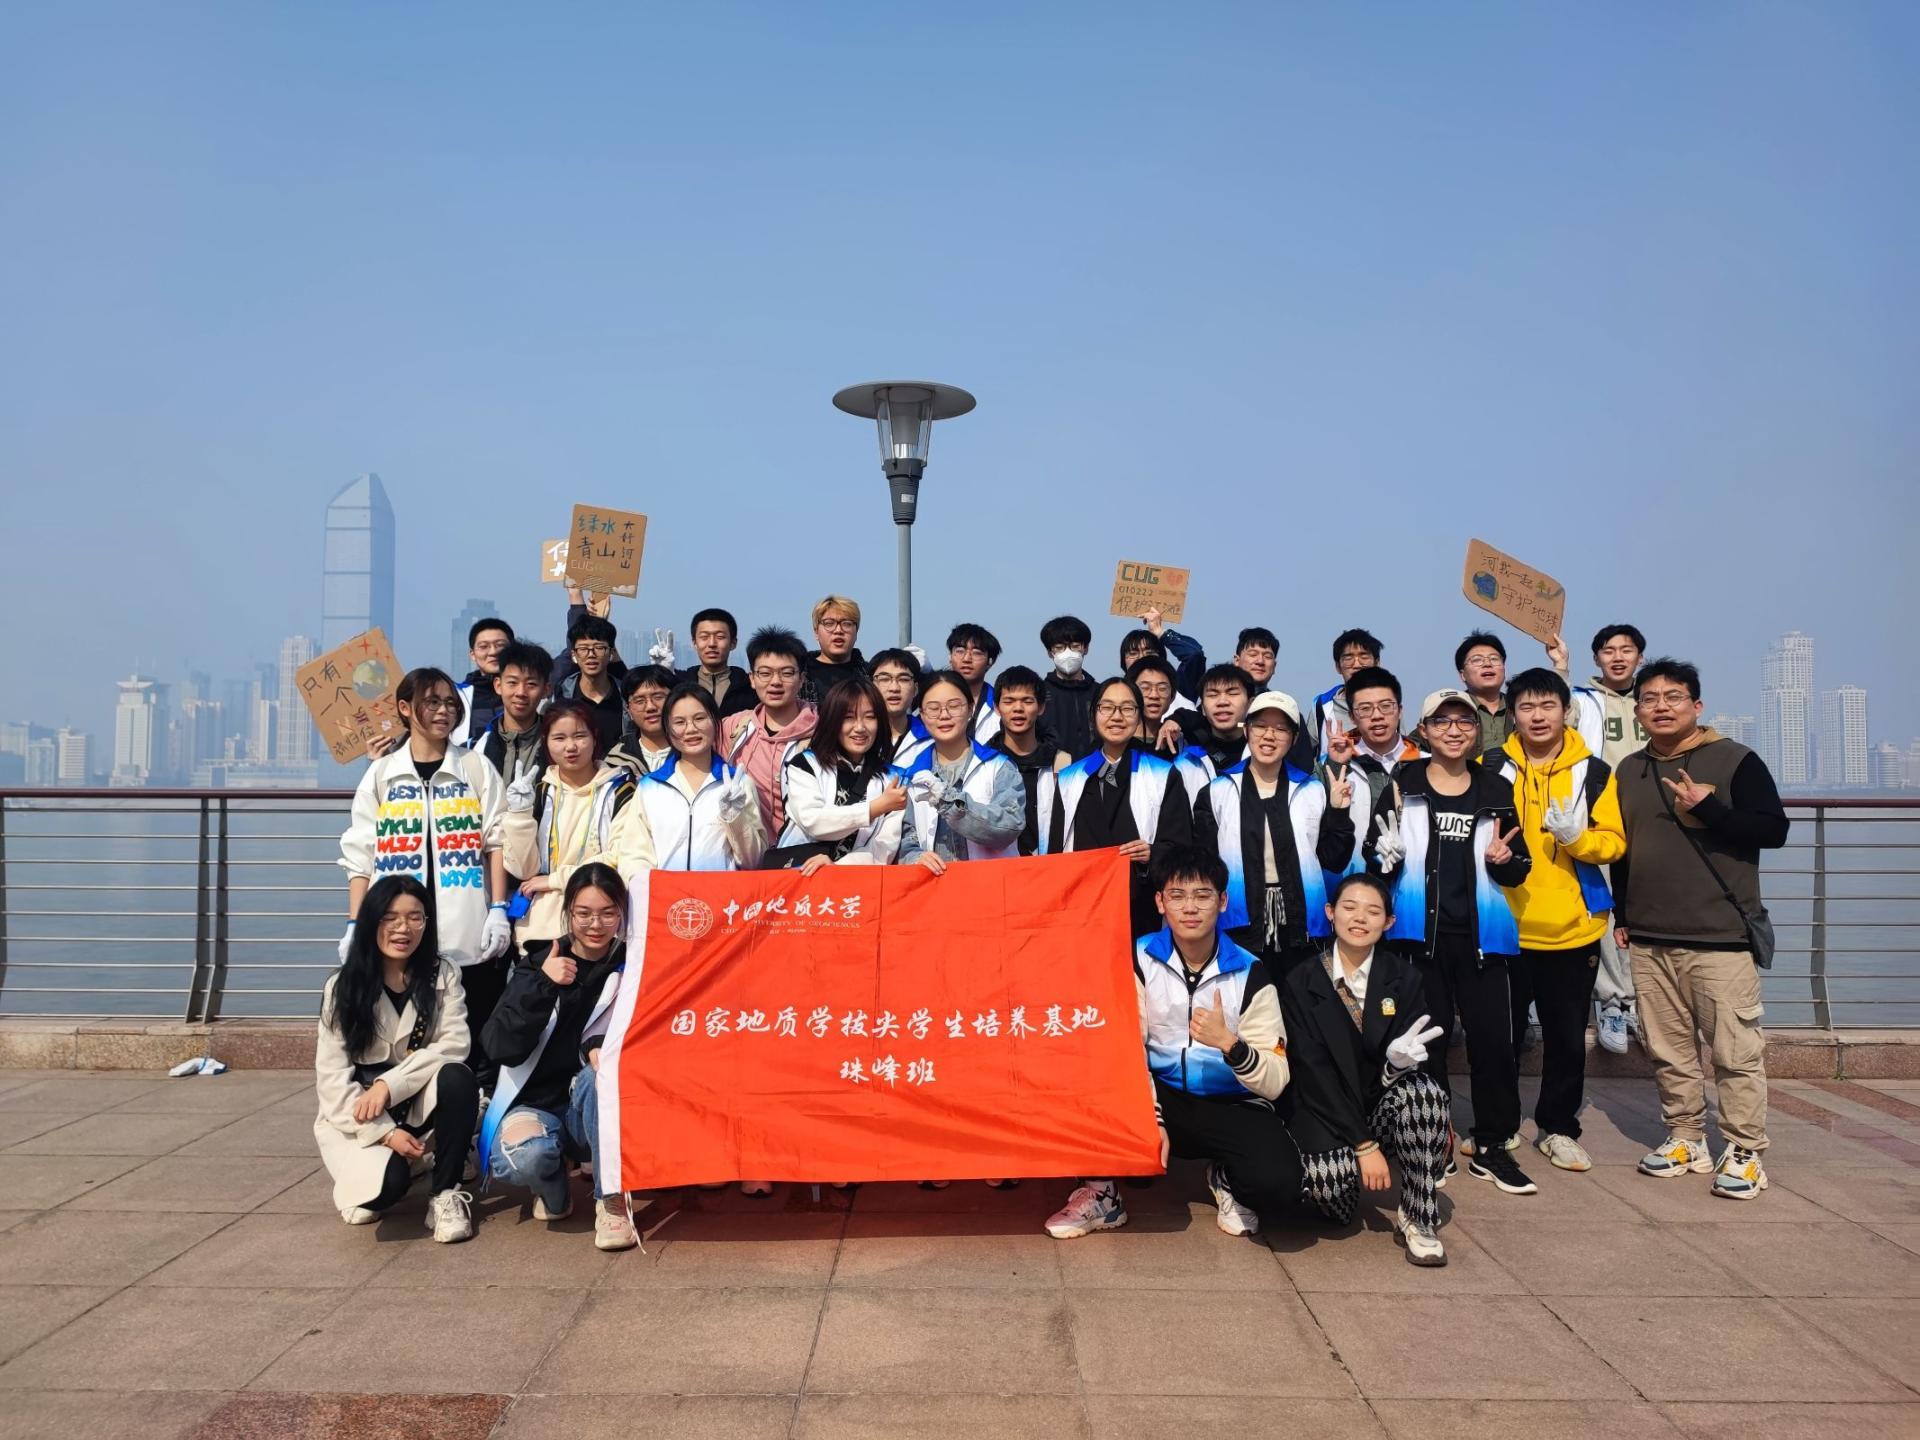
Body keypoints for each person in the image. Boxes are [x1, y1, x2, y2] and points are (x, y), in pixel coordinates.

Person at [1045, 848, 1300, 1241]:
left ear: (1223, 901)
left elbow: (1276, 1078)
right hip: (1158, 1095)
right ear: (1160, 903)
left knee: (1278, 1187)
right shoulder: (1137, 957)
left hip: (1231, 1102)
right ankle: (1102, 1193)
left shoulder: (1251, 971)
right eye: (1177, 896)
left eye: (1202, 895)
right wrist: (1152, 1117)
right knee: (1083, 1076)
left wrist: (1231, 1046)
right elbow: (1124, 1048)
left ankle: (1227, 1177)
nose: (1190, 907)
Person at [1613, 659, 1789, 1200]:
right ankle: (1686, 1136)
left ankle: (1745, 1149)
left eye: (1673, 696)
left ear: (1697, 706)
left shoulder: (1736, 760)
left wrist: (1709, 807)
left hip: (1720, 936)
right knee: (1667, 1049)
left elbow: (1773, 830)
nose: (1661, 706)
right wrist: (1623, 914)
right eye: (1650, 699)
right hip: (1649, 934)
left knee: (1734, 1052)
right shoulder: (1629, 770)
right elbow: (1623, 849)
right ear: (1637, 710)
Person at [1376, 689, 1537, 1195]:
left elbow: (1520, 864)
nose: (1453, 730)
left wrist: (1504, 861)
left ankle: (1493, 1145)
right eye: (1441, 721)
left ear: (1475, 731)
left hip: (1484, 936)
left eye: (1464, 721)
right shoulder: (1404, 782)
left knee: (1494, 1044)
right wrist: (1384, 854)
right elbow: (1377, 853)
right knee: (1428, 1044)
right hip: (1417, 937)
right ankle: (1436, 1140)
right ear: (1423, 730)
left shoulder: (1495, 787)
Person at [1483, 667, 1627, 1173]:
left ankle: (1559, 1127)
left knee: (1566, 1038)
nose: (1538, 716)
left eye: (1548, 706)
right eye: (1526, 707)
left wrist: (1577, 839)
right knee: (1499, 1036)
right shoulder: (1490, 767)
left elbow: (1614, 842)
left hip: (1572, 928)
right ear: (1512, 715)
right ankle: (1499, 1125)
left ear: (1566, 711)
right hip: (1503, 924)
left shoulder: (1594, 772)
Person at [338, 668, 511, 1070]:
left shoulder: (475, 768)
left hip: (465, 922)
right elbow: (361, 851)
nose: (443, 711)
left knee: (470, 1024)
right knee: (400, 1028)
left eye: (450, 703)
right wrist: (354, 923)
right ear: (404, 708)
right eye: (431, 702)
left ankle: (470, 1098)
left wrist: (498, 909)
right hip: (398, 926)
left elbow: (496, 841)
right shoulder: (382, 774)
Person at [1281, 873, 1452, 1266]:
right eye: (1349, 907)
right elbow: (1311, 1072)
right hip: (1324, 1108)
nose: (1360, 918)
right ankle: (1347, 1176)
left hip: (1378, 1104)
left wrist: (1395, 1067)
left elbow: (1417, 1051)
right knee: (1330, 1192)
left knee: (1426, 1095)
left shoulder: (1405, 978)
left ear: (1388, 922)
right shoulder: (1301, 980)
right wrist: (1363, 1144)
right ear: (1330, 913)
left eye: (1373, 911)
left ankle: (1419, 1215)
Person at [479, 864, 641, 1250]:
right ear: (568, 911)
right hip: (536, 1104)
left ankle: (611, 1201)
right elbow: (499, 1046)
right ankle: (554, 1190)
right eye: (584, 913)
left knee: (600, 1076)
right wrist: (542, 984)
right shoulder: (540, 961)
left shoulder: (633, 966)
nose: (596, 924)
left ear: (622, 914)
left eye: (608, 913)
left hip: (592, 1105)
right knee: (527, 1159)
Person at [314, 874, 477, 1242]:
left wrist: (389, 1085)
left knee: (458, 1076)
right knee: (385, 1191)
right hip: (359, 1117)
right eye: (390, 917)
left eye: (415, 917)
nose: (403, 928)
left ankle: (445, 1194)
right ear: (371, 921)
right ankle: (404, 1165)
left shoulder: (443, 973)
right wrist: (385, 1133)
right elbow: (332, 1080)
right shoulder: (343, 987)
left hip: (416, 1102)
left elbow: (454, 1044)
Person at [1191, 692, 1362, 978]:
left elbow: (1334, 860)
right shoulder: (1218, 791)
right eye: (1260, 726)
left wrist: (1339, 814)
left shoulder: (1312, 790)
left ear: (1294, 739)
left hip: (1301, 922)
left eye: (1281, 729)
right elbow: (1205, 864)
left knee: (1300, 999)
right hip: (1238, 922)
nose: (1269, 736)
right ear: (1246, 731)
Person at [1551, 623, 1651, 1055]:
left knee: (1646, 910)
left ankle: (1646, 1004)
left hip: (1650, 819)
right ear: (1596, 659)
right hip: (1601, 817)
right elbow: (1560, 715)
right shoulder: (1586, 700)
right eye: (1608, 651)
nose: (1618, 657)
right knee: (1606, 912)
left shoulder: (1653, 700)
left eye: (1626, 650)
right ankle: (1613, 1002)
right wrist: (1561, 667)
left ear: (1640, 657)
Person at [1037, 676, 1194, 935]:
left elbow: (1182, 846)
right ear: (1094, 714)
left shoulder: (1162, 774)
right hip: (1083, 909)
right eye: (1107, 707)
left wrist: (1152, 853)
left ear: (1139, 716)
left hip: (1141, 909)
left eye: (1127, 708)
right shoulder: (1069, 779)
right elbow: (1054, 852)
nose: (1117, 717)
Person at [500, 701, 641, 945]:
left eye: (579, 736)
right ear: (546, 742)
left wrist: (554, 880)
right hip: (541, 930)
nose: (570, 747)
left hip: (600, 928)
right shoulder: (540, 793)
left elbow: (620, 857)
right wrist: (519, 814)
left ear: (594, 738)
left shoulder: (621, 790)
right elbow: (524, 871)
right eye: (559, 738)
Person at [895, 669, 1026, 869]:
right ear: (922, 714)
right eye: (933, 708)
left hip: (988, 883)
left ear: (971, 709)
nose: (944, 715)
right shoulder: (911, 777)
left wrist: (949, 802)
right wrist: (914, 857)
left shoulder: (999, 767)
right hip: (933, 885)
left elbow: (1010, 826)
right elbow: (904, 841)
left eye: (954, 706)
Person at [775, 675, 908, 867]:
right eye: (848, 717)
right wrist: (875, 808)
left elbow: (883, 847)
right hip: (799, 877)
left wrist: (837, 868)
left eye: (870, 717)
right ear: (832, 720)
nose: (860, 727)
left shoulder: (894, 779)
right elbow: (813, 821)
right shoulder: (805, 764)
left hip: (853, 881)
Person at [633, 685, 768, 873]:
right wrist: (648, 885)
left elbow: (753, 861)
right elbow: (634, 856)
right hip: (666, 891)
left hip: (720, 890)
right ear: (667, 729)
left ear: (715, 721)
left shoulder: (738, 784)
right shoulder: (649, 787)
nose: (691, 729)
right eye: (679, 722)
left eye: (699, 718)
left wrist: (735, 819)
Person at [720, 626, 818, 838]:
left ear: (802, 679)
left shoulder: (823, 730)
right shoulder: (734, 728)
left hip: (805, 850)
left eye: (787, 673)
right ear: (752, 679)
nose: (775, 682)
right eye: (765, 673)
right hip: (748, 849)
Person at [987, 664, 1062, 857]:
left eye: (1027, 701)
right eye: (1009, 701)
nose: (1018, 709)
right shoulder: (983, 763)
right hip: (998, 866)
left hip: (1049, 866)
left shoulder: (1061, 763)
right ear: (996, 707)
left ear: (1041, 707)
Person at [1171, 664, 1255, 797]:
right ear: (1203, 708)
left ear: (1250, 704)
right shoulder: (1185, 763)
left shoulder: (1268, 755)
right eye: (1212, 695)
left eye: (1232, 693)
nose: (1222, 702)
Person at [473, 641, 552, 782]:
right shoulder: (476, 746)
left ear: (546, 690)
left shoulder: (556, 744)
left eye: (531, 684)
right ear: (498, 685)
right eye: (512, 683)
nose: (521, 692)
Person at [554, 611, 626, 752]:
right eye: (583, 649)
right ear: (574, 655)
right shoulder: (562, 695)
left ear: (611, 653)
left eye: (599, 648)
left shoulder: (625, 695)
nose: (591, 654)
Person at [1309, 629, 1384, 759]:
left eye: (1364, 656)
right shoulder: (1322, 706)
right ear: (1338, 666)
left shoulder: (1389, 705)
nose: (1357, 664)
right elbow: (1304, 757)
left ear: (1377, 663)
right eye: (1348, 658)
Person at [449, 617, 514, 749]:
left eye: (500, 645)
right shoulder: (456, 696)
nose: (493, 652)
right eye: (484, 647)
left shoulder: (529, 692)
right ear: (472, 654)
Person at [682, 606, 756, 721]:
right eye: (704, 637)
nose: (712, 643)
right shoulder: (680, 683)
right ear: (694, 643)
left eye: (720, 637)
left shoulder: (749, 687)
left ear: (733, 643)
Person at [1037, 614, 1096, 757]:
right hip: (1052, 768)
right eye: (1059, 647)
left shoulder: (1100, 692)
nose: (1068, 653)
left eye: (1075, 646)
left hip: (1095, 768)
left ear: (1085, 648)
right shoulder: (1039, 694)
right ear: (1050, 652)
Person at [1118, 607, 1206, 702]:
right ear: (1123, 661)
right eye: (1133, 653)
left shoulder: (1177, 690)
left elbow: (1194, 655)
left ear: (1161, 658)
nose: (1142, 658)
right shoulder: (1112, 694)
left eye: (1149, 653)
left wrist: (1160, 632)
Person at [606, 664, 677, 779]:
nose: (650, 707)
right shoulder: (614, 762)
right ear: (628, 710)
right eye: (640, 701)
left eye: (658, 697)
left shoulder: (693, 754)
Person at [870, 647, 932, 769]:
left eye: (903, 679)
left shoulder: (931, 740)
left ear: (915, 689)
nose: (894, 688)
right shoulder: (858, 736)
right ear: (871, 686)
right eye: (884, 679)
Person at [945, 623, 1004, 744]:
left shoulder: (1001, 707)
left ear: (990, 661)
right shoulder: (932, 701)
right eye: (960, 651)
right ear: (950, 657)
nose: (966, 659)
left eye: (976, 653)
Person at [1455, 630, 1511, 753]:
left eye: (1494, 659)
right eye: (1477, 660)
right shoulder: (1450, 710)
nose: (1487, 664)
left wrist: (1556, 663)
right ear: (1462, 675)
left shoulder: (1519, 706)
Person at [804, 594, 867, 701]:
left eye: (847, 624)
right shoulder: (799, 674)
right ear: (816, 632)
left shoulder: (871, 675)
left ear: (856, 632)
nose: (838, 630)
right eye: (829, 623)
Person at [1125, 654, 1185, 756]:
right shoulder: (1114, 740)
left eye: (1162, 689)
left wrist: (1177, 719)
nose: (1154, 695)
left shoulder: (1179, 740)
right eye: (1145, 688)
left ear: (1172, 697)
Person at [1231, 627, 1279, 695]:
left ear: (1274, 666)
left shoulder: (1278, 701)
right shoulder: (1222, 699)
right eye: (1253, 654)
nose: (1260, 661)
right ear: (1237, 661)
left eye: (1267, 656)